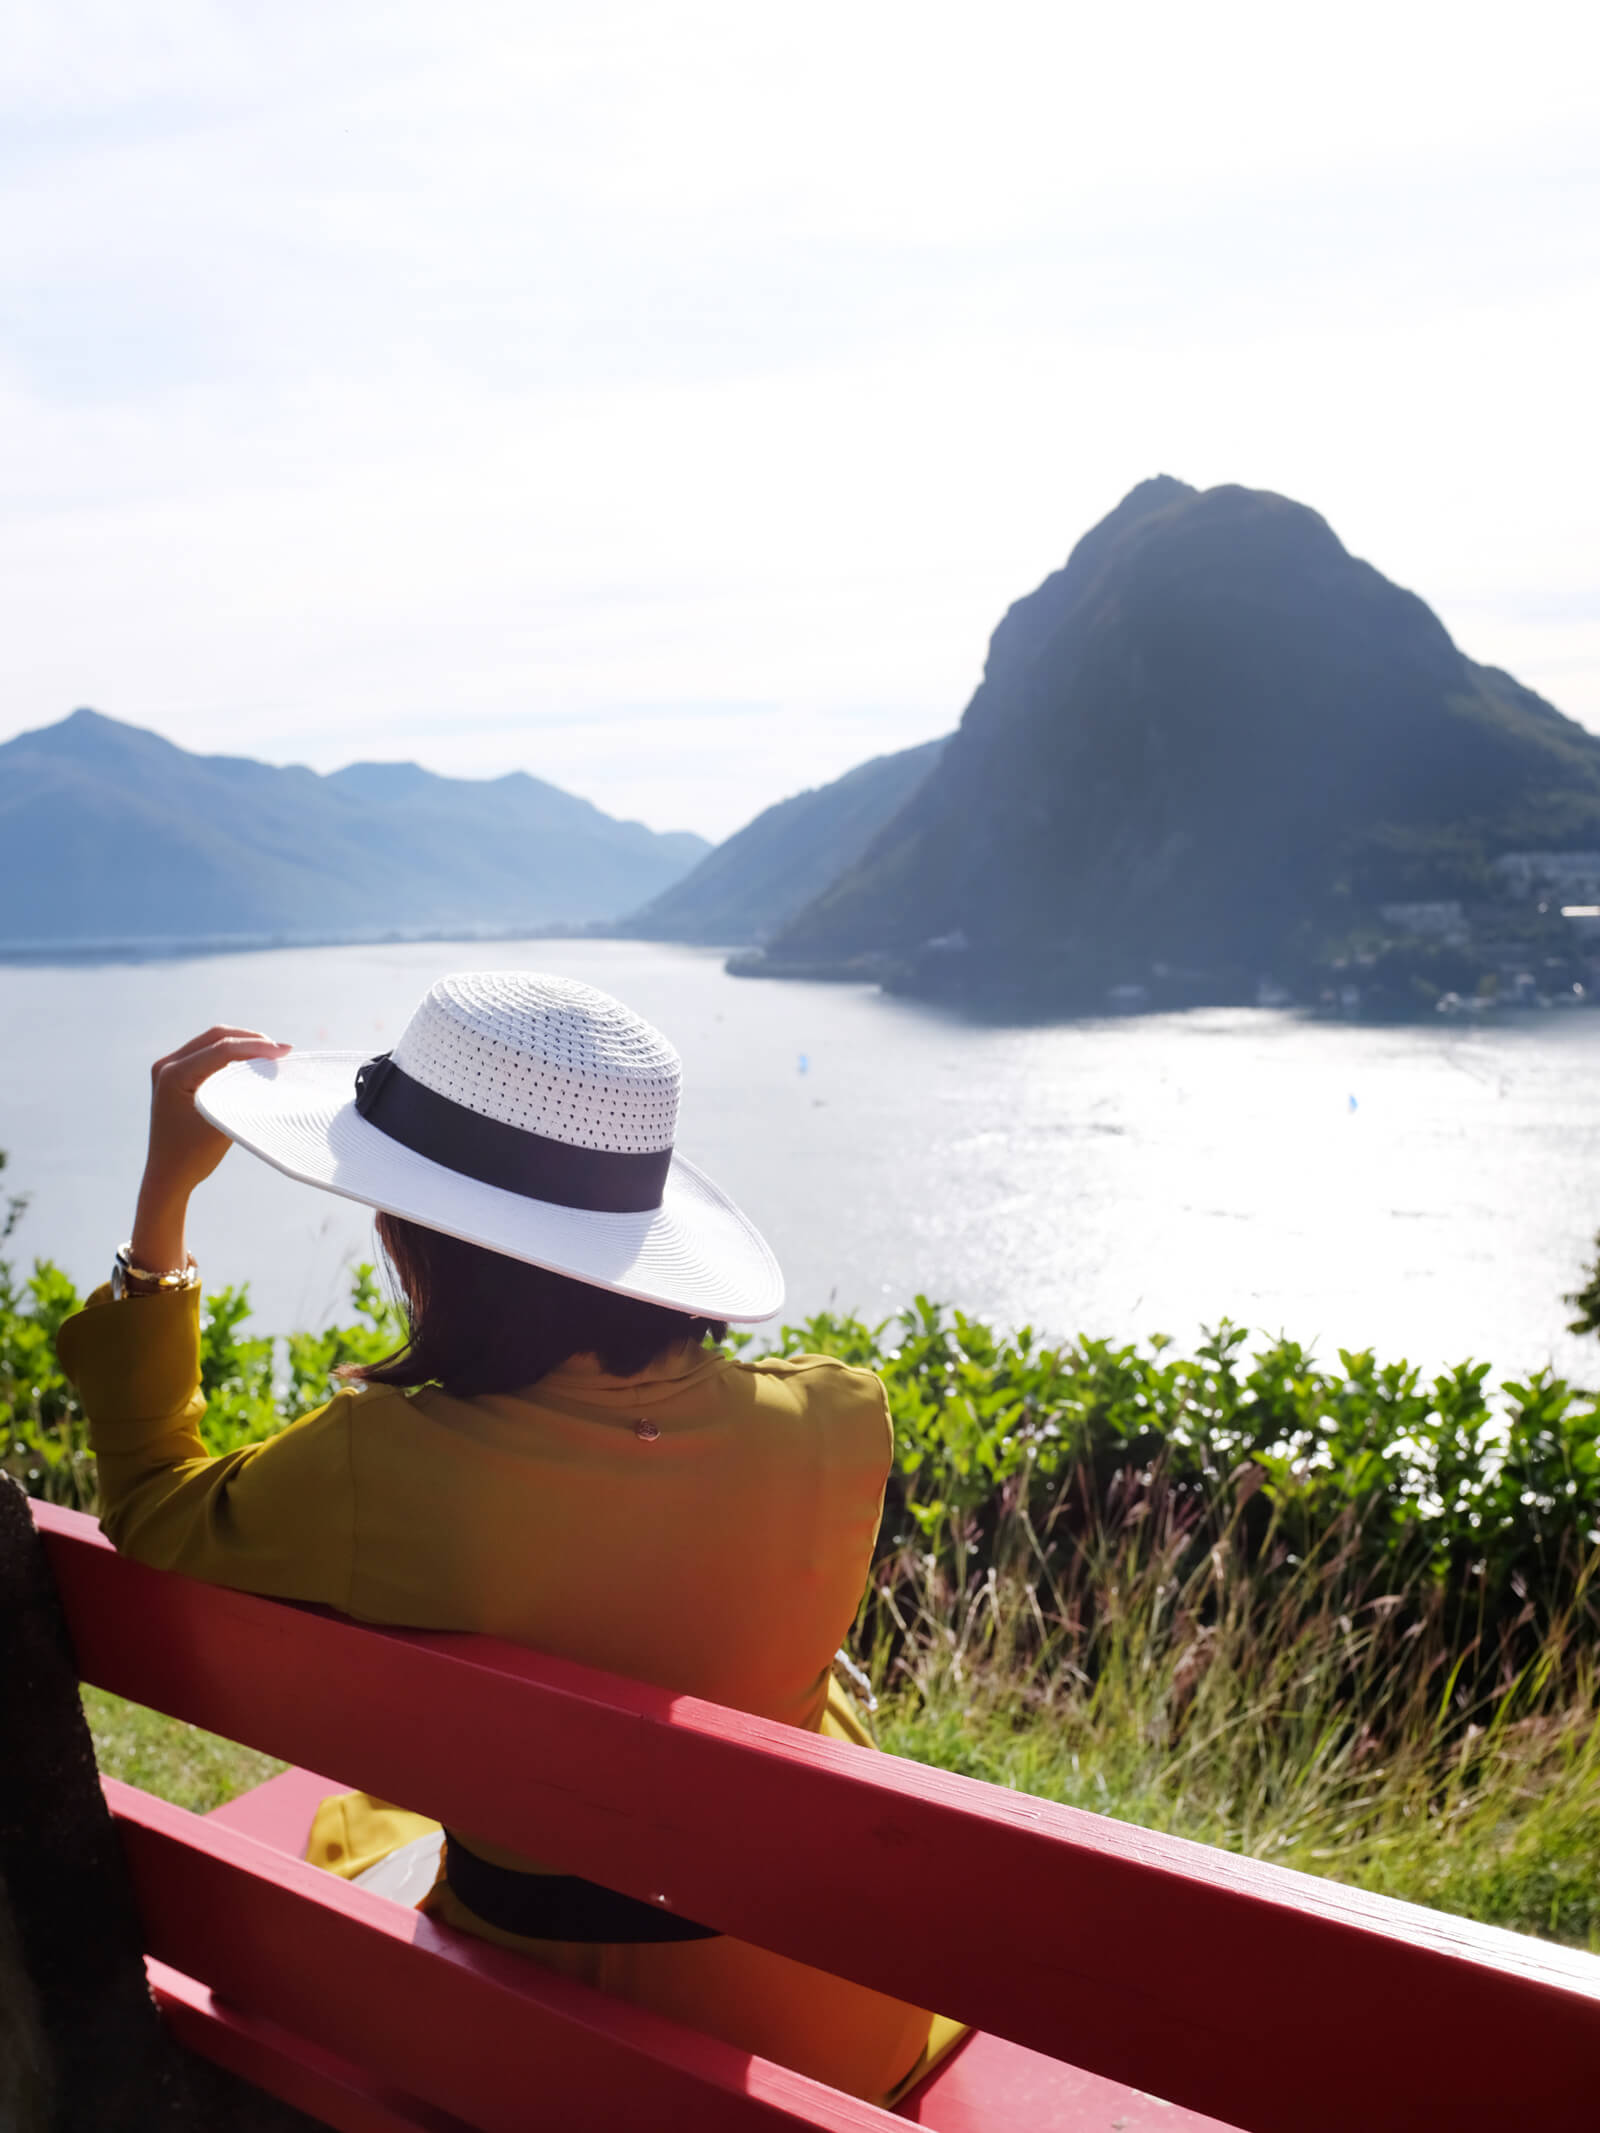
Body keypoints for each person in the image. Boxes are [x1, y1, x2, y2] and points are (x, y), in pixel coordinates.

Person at [56, 972, 959, 2104]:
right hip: (829, 2025)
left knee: (351, 1836)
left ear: (420, 1240)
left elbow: (149, 1504)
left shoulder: (381, 1464)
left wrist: (162, 1211)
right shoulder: (836, 1419)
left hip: (535, 2051)